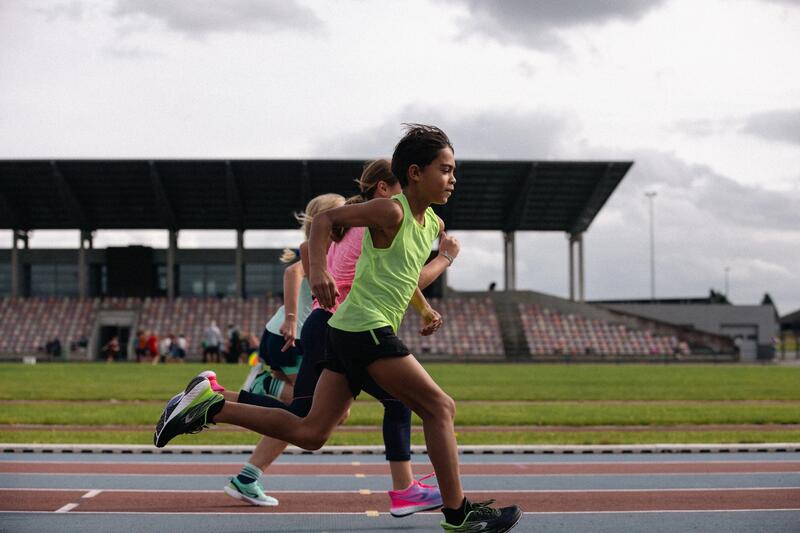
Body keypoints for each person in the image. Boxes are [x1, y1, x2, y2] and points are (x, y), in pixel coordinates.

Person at [154, 125, 521, 532]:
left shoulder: (431, 224)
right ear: (415, 172)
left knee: (311, 431)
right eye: (446, 170)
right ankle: (458, 513)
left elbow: (404, 279)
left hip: (347, 330)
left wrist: (427, 300)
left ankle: (212, 406)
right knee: (440, 407)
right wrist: (320, 272)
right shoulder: (391, 210)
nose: (453, 179)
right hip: (364, 329)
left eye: (454, 171)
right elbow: (324, 220)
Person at [224, 161, 460, 515]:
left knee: (312, 428)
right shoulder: (376, 223)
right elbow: (399, 277)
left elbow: (398, 277)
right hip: (348, 325)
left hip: (336, 325)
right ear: (383, 189)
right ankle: (423, 496)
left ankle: (219, 411)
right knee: (423, 405)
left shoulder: (365, 227)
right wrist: (444, 258)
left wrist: (425, 308)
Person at [225, 193, 343, 507]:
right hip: (291, 336)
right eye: (344, 212)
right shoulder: (321, 247)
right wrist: (291, 319)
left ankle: (247, 477)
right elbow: (293, 273)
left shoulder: (339, 249)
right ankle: (267, 384)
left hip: (297, 336)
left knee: (311, 415)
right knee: (312, 413)